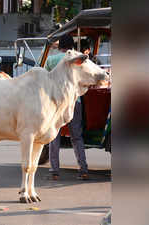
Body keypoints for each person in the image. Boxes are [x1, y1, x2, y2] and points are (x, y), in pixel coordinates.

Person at [45, 34, 89, 181]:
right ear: (71, 46)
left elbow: (45, 79)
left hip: (56, 103)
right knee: (76, 137)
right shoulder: (78, 59)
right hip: (74, 102)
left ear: (59, 46)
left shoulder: (51, 60)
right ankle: (83, 170)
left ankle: (54, 172)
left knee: (54, 136)